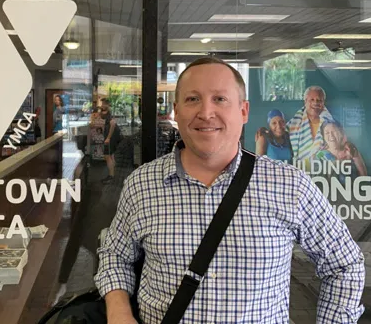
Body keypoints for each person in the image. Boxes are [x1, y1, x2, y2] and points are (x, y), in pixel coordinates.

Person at [94, 57, 365, 323]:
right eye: (192, 99)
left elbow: (344, 266)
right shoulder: (142, 185)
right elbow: (116, 256)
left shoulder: (290, 186)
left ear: (244, 111)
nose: (206, 112)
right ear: (176, 111)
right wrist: (119, 312)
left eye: (220, 99)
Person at [287, 86, 333, 163]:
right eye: (312, 100)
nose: (315, 103)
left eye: (319, 100)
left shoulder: (332, 125)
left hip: (324, 170)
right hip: (300, 170)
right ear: (305, 101)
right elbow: (278, 135)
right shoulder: (293, 124)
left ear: (323, 102)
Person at [100, 98, 121, 184]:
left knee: (107, 156)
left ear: (107, 105)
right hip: (111, 136)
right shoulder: (106, 113)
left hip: (111, 137)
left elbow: (113, 125)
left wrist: (108, 137)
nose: (102, 105)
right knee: (111, 155)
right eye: (102, 104)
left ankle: (111, 176)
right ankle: (113, 174)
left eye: (104, 104)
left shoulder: (110, 113)